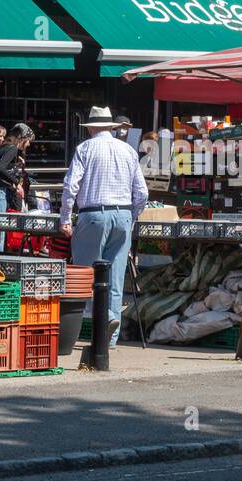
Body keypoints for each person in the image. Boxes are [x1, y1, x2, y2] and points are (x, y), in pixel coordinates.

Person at [60, 106, 148, 348]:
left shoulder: (85, 148)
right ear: (109, 127)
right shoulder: (128, 150)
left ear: (91, 128)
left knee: (85, 276)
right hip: (122, 215)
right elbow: (142, 192)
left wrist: (65, 218)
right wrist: (132, 216)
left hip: (93, 214)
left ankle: (98, 322)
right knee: (115, 279)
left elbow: (70, 187)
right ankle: (110, 338)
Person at [0, 123, 34, 251]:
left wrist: (12, 184)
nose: (29, 144)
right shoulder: (12, 148)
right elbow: (0, 169)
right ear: (22, 138)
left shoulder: (4, 147)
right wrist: (17, 184)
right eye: (28, 141)